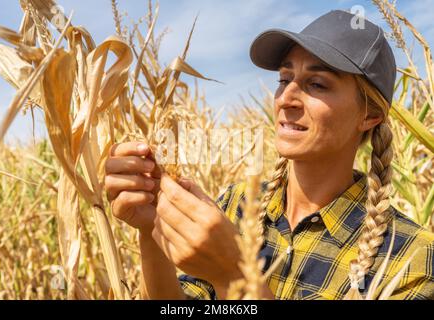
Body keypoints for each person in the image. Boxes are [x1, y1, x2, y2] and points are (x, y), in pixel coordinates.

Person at [104, 10, 434, 300]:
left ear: (370, 115)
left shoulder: (413, 259)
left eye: (317, 84)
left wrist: (235, 276)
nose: (285, 98)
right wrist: (152, 230)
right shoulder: (236, 206)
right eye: (284, 78)